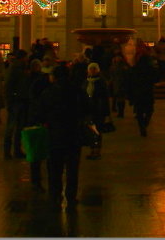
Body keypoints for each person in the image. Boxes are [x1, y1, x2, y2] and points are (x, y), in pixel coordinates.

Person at [37, 64, 89, 208]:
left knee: (54, 169)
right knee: (72, 169)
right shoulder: (77, 91)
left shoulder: (48, 92)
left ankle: (55, 196)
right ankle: (71, 196)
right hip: (73, 134)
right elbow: (87, 109)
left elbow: (40, 114)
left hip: (54, 135)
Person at [25, 59, 51, 189]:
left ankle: (36, 179)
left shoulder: (30, 83)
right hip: (44, 122)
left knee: (36, 152)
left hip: (34, 120)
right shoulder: (46, 91)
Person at [3, 51, 29, 159]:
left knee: (17, 127)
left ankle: (13, 151)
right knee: (14, 127)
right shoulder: (16, 69)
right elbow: (9, 86)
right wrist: (11, 99)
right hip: (16, 101)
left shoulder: (17, 68)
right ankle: (11, 151)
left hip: (18, 100)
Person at [129, 42, 159, 136]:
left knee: (139, 112)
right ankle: (145, 124)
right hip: (148, 91)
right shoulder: (150, 68)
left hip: (138, 92)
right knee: (149, 110)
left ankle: (142, 126)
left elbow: (131, 80)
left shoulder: (135, 68)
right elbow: (156, 78)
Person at [84, 62, 111, 160]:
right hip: (88, 111)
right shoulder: (86, 82)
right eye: (90, 69)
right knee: (91, 131)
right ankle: (92, 149)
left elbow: (104, 98)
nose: (92, 71)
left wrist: (106, 112)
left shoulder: (101, 82)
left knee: (97, 131)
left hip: (98, 111)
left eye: (94, 69)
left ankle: (97, 151)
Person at [108, 53, 130, 119]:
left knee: (119, 98)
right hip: (122, 84)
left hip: (117, 84)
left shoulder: (114, 67)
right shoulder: (125, 66)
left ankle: (120, 112)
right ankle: (121, 112)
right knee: (121, 99)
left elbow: (112, 76)